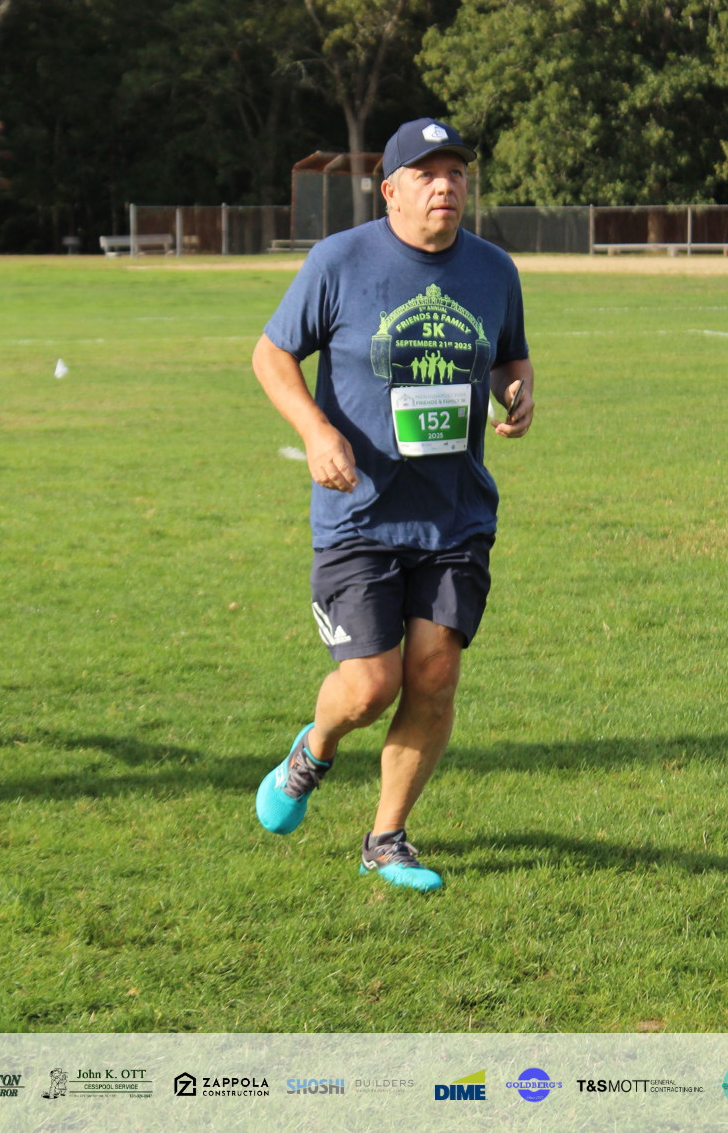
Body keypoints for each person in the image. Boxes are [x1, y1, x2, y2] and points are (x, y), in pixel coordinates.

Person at [252, 117, 534, 891]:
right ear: (390, 192)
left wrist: (518, 394)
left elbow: (510, 356)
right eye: (427, 174)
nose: (446, 186)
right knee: (371, 686)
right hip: (360, 513)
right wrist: (315, 431)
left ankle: (387, 838)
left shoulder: (493, 269)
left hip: (455, 514)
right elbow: (271, 354)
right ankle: (312, 752)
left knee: (435, 674)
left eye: (456, 173)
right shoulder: (339, 261)